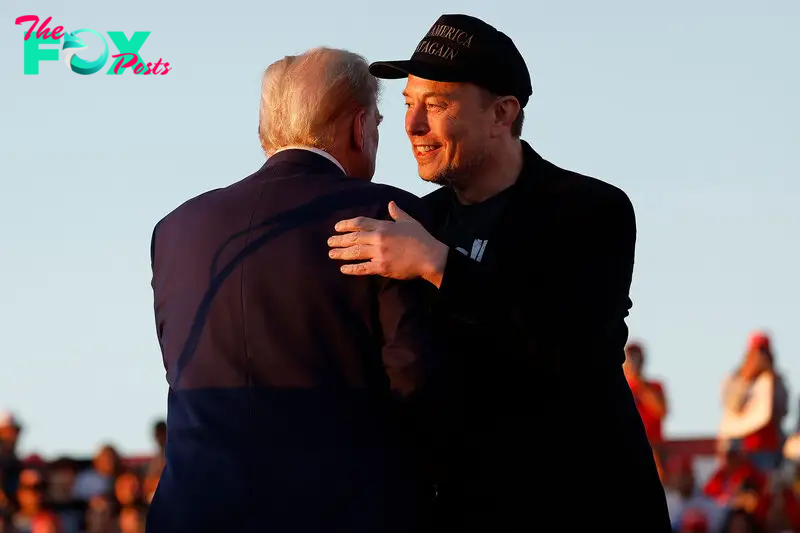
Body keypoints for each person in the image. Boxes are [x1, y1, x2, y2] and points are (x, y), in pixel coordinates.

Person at [327, 13, 671, 531]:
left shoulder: (590, 209)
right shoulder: (416, 221)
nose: (413, 126)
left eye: (436, 105)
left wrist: (439, 265)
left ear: (502, 113)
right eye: (407, 104)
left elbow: (579, 351)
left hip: (585, 504)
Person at [148, 47, 438, 533]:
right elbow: (417, 376)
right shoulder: (391, 216)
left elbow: (181, 362)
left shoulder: (175, 229)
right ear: (358, 125)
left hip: (193, 508)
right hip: (342, 510)